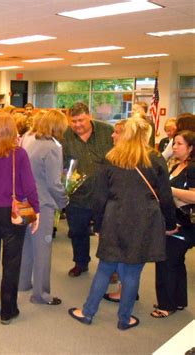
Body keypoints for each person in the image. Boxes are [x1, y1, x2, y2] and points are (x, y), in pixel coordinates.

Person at [68, 117, 177, 330]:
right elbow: (165, 196)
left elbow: (99, 198)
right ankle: (124, 318)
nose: (111, 135)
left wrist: (97, 225)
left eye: (117, 132)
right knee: (133, 272)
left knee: (105, 268)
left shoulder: (111, 158)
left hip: (115, 217)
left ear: (126, 134)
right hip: (146, 220)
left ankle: (88, 312)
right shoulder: (154, 158)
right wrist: (170, 223)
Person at [0, 112, 40, 325]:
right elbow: (29, 186)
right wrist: (36, 210)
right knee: (11, 262)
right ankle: (7, 310)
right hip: (12, 212)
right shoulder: (19, 154)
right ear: (13, 131)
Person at [18, 109, 69, 305]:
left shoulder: (31, 141)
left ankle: (23, 283)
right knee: (42, 250)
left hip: (26, 201)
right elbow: (54, 183)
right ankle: (41, 294)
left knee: (27, 245)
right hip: (43, 204)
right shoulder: (52, 148)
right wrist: (64, 201)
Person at [62, 102, 113, 277]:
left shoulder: (107, 132)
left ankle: (111, 267)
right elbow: (61, 164)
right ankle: (80, 262)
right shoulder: (65, 135)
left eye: (81, 120)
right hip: (77, 196)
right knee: (77, 232)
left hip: (106, 194)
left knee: (108, 233)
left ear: (89, 116)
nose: (77, 125)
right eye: (73, 121)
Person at [152, 130, 195, 318]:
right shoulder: (176, 165)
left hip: (185, 223)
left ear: (191, 148)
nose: (174, 147)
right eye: (174, 143)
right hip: (173, 219)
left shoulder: (192, 168)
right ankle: (177, 300)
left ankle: (166, 305)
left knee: (167, 261)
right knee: (176, 262)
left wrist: (170, 190)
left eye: (179, 144)